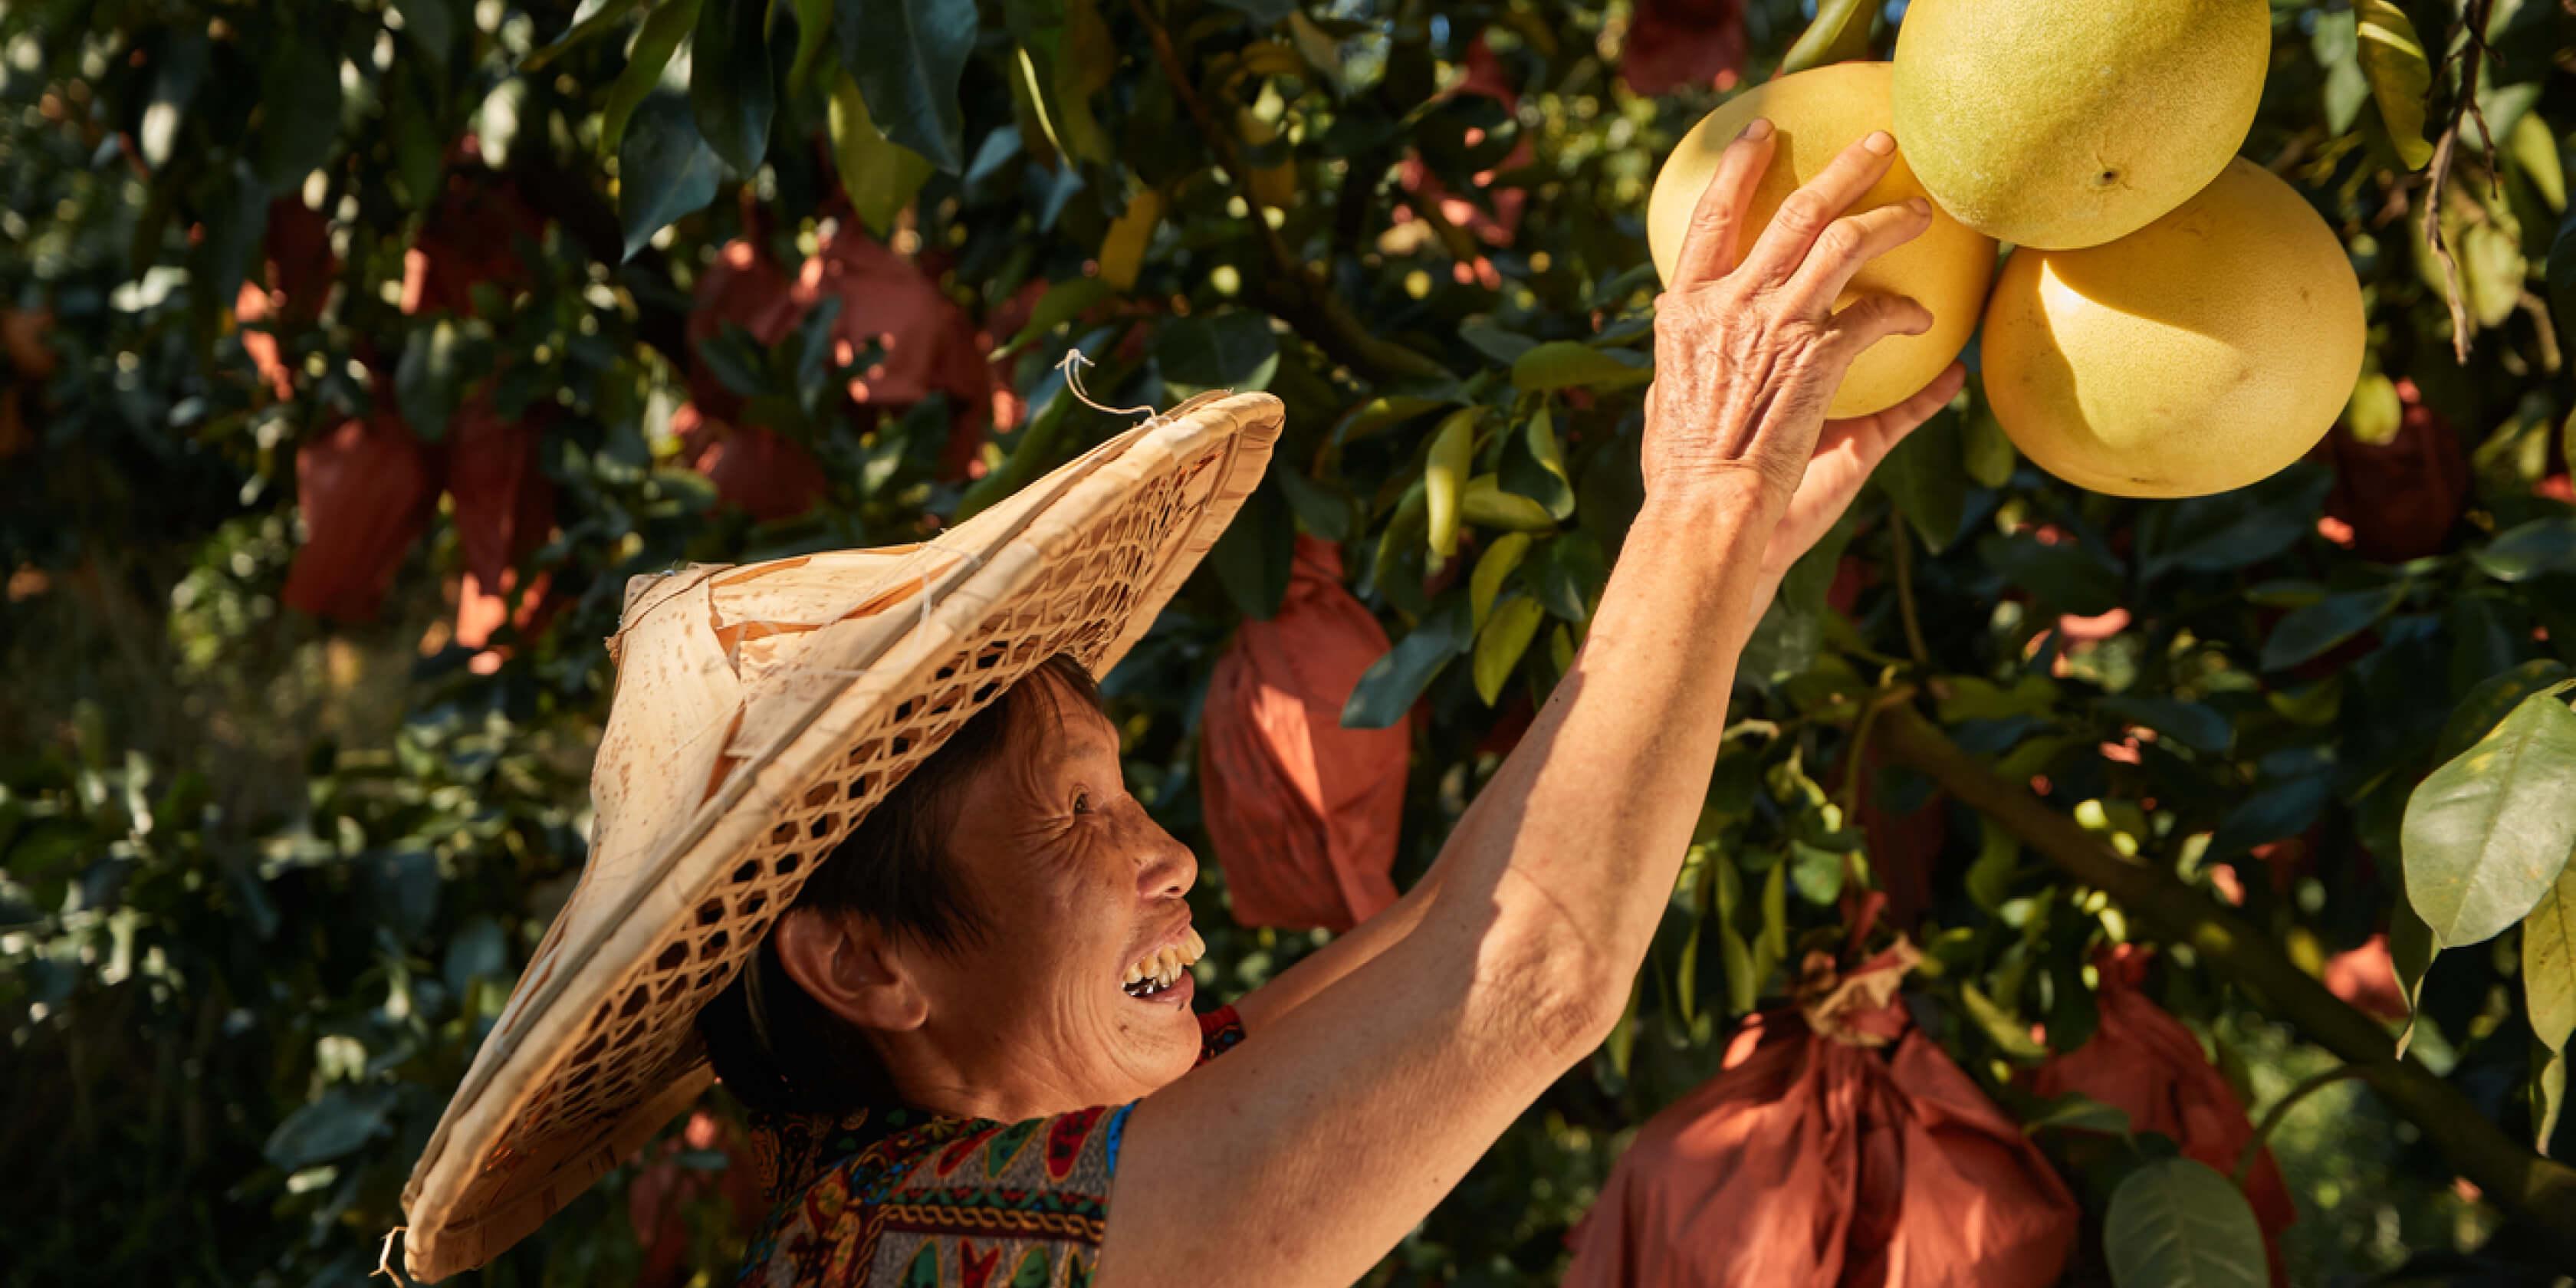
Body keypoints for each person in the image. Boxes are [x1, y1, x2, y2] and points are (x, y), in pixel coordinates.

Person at [398, 120, 1963, 1287]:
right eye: (1076, 815)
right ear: (864, 960)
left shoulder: (943, 1189)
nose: (1169, 857)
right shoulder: (951, 1255)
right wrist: (1691, 505)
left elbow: (1445, 928)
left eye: (1119, 793)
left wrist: (1723, 547)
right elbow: (1527, 976)